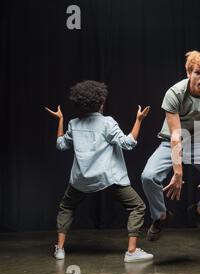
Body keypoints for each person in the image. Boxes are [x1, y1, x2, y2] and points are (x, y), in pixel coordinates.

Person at [45, 80, 153, 263]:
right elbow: (128, 144)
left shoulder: (73, 123)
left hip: (80, 180)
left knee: (67, 206)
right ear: (100, 102)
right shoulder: (107, 123)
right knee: (137, 206)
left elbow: (60, 144)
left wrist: (60, 120)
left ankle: (60, 249)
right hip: (107, 179)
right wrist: (139, 120)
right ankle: (132, 251)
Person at [141, 51, 200, 241]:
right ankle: (160, 216)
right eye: (198, 72)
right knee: (148, 177)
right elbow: (175, 135)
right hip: (172, 143)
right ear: (189, 72)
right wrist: (178, 171)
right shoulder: (174, 93)